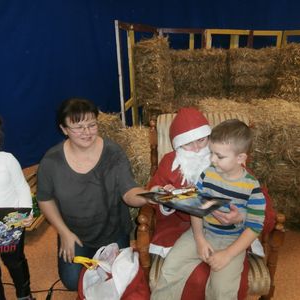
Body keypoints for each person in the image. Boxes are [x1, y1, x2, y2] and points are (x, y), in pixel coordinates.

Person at [36, 98, 150, 291]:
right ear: (64, 129)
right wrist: (64, 232)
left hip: (113, 230)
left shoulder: (113, 152)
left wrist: (150, 195)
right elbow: (44, 199)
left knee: (119, 280)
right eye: (78, 127)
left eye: (91, 125)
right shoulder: (51, 161)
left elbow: (129, 193)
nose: (87, 132)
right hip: (74, 232)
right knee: (72, 282)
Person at [151, 119, 266, 300]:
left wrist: (228, 254)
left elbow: (255, 226)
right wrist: (199, 239)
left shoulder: (252, 187)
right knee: (169, 270)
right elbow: (197, 206)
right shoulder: (207, 174)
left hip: (232, 240)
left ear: (240, 158)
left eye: (219, 156)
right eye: (212, 153)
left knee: (222, 290)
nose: (212, 159)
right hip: (201, 230)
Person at [0, 108, 34, 300]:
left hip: (12, 222)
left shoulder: (7, 160)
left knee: (15, 261)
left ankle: (24, 294)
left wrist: (26, 212)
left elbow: (21, 187)